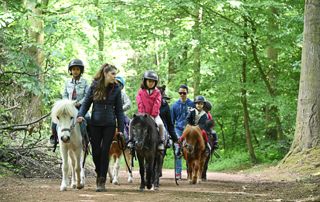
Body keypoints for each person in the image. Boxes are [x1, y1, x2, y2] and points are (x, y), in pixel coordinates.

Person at [77, 63, 124, 192]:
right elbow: (86, 103)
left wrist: (120, 129)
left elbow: (119, 111)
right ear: (105, 74)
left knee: (105, 151)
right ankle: (99, 172)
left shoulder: (117, 89)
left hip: (109, 124)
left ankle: (101, 179)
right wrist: (80, 115)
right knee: (96, 151)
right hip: (95, 124)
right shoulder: (94, 86)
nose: (115, 76)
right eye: (113, 74)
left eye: (115, 74)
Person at [50, 59, 89, 146]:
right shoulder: (67, 82)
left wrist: (79, 103)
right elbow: (64, 94)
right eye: (73, 69)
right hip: (68, 107)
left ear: (81, 71)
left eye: (77, 69)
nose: (75, 71)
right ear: (70, 71)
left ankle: (86, 138)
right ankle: (54, 137)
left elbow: (87, 95)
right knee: (54, 118)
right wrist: (66, 103)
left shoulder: (85, 82)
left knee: (87, 118)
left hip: (81, 107)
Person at [134, 70, 165, 150]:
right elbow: (140, 103)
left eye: (153, 81)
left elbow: (157, 104)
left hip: (154, 115)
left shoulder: (157, 92)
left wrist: (152, 115)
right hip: (142, 115)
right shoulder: (140, 92)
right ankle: (131, 140)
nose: (151, 83)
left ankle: (161, 142)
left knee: (161, 125)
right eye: (149, 81)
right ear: (145, 81)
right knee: (132, 122)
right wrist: (143, 115)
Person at [170, 84, 194, 180]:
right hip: (178, 130)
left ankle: (191, 171)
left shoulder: (192, 104)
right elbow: (172, 121)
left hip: (190, 130)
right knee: (177, 150)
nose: (182, 94)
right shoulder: (174, 106)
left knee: (192, 150)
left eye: (184, 93)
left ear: (187, 93)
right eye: (180, 93)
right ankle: (178, 173)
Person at [115, 76, 131, 143]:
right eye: (116, 83)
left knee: (130, 123)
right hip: (110, 114)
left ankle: (128, 141)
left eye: (119, 84)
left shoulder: (123, 94)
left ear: (121, 86)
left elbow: (128, 104)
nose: (117, 85)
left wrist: (120, 109)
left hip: (121, 115)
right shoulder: (109, 93)